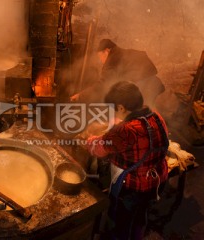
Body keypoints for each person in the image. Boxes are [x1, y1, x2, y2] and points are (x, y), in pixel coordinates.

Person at [83, 81, 169, 240]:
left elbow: (99, 149)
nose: (115, 114)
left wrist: (89, 140)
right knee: (140, 216)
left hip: (133, 188)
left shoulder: (125, 130)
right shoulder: (157, 117)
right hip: (157, 181)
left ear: (121, 107)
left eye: (114, 109)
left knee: (121, 222)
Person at [71, 39, 165, 108]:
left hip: (145, 89)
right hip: (156, 83)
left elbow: (102, 85)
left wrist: (81, 95)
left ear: (107, 51)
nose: (101, 60)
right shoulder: (125, 53)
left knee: (141, 118)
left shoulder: (112, 60)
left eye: (100, 56)